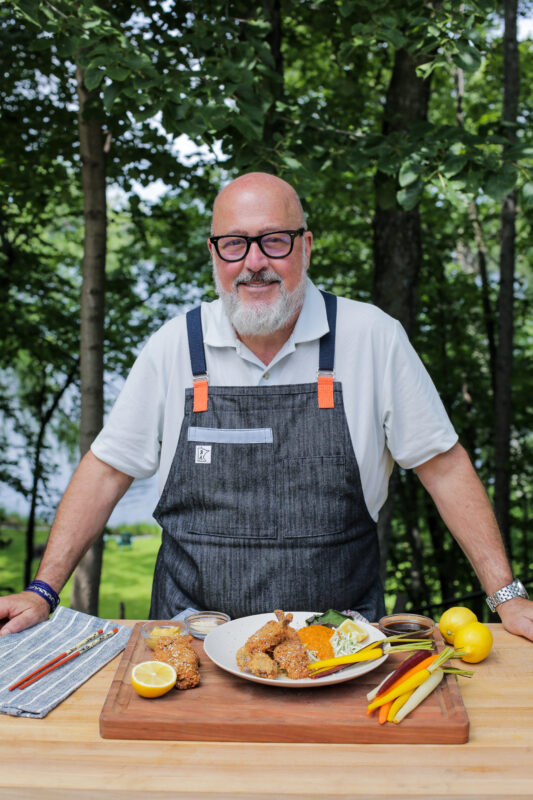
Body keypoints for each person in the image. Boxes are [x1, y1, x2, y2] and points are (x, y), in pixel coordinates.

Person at [1, 172, 532, 640]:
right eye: (234, 244)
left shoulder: (372, 337)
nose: (254, 263)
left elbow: (443, 465)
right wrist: (43, 591)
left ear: (306, 246)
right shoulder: (174, 346)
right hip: (192, 642)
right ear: (214, 253)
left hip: (338, 645)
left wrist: (506, 597)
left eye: (274, 241)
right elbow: (105, 470)